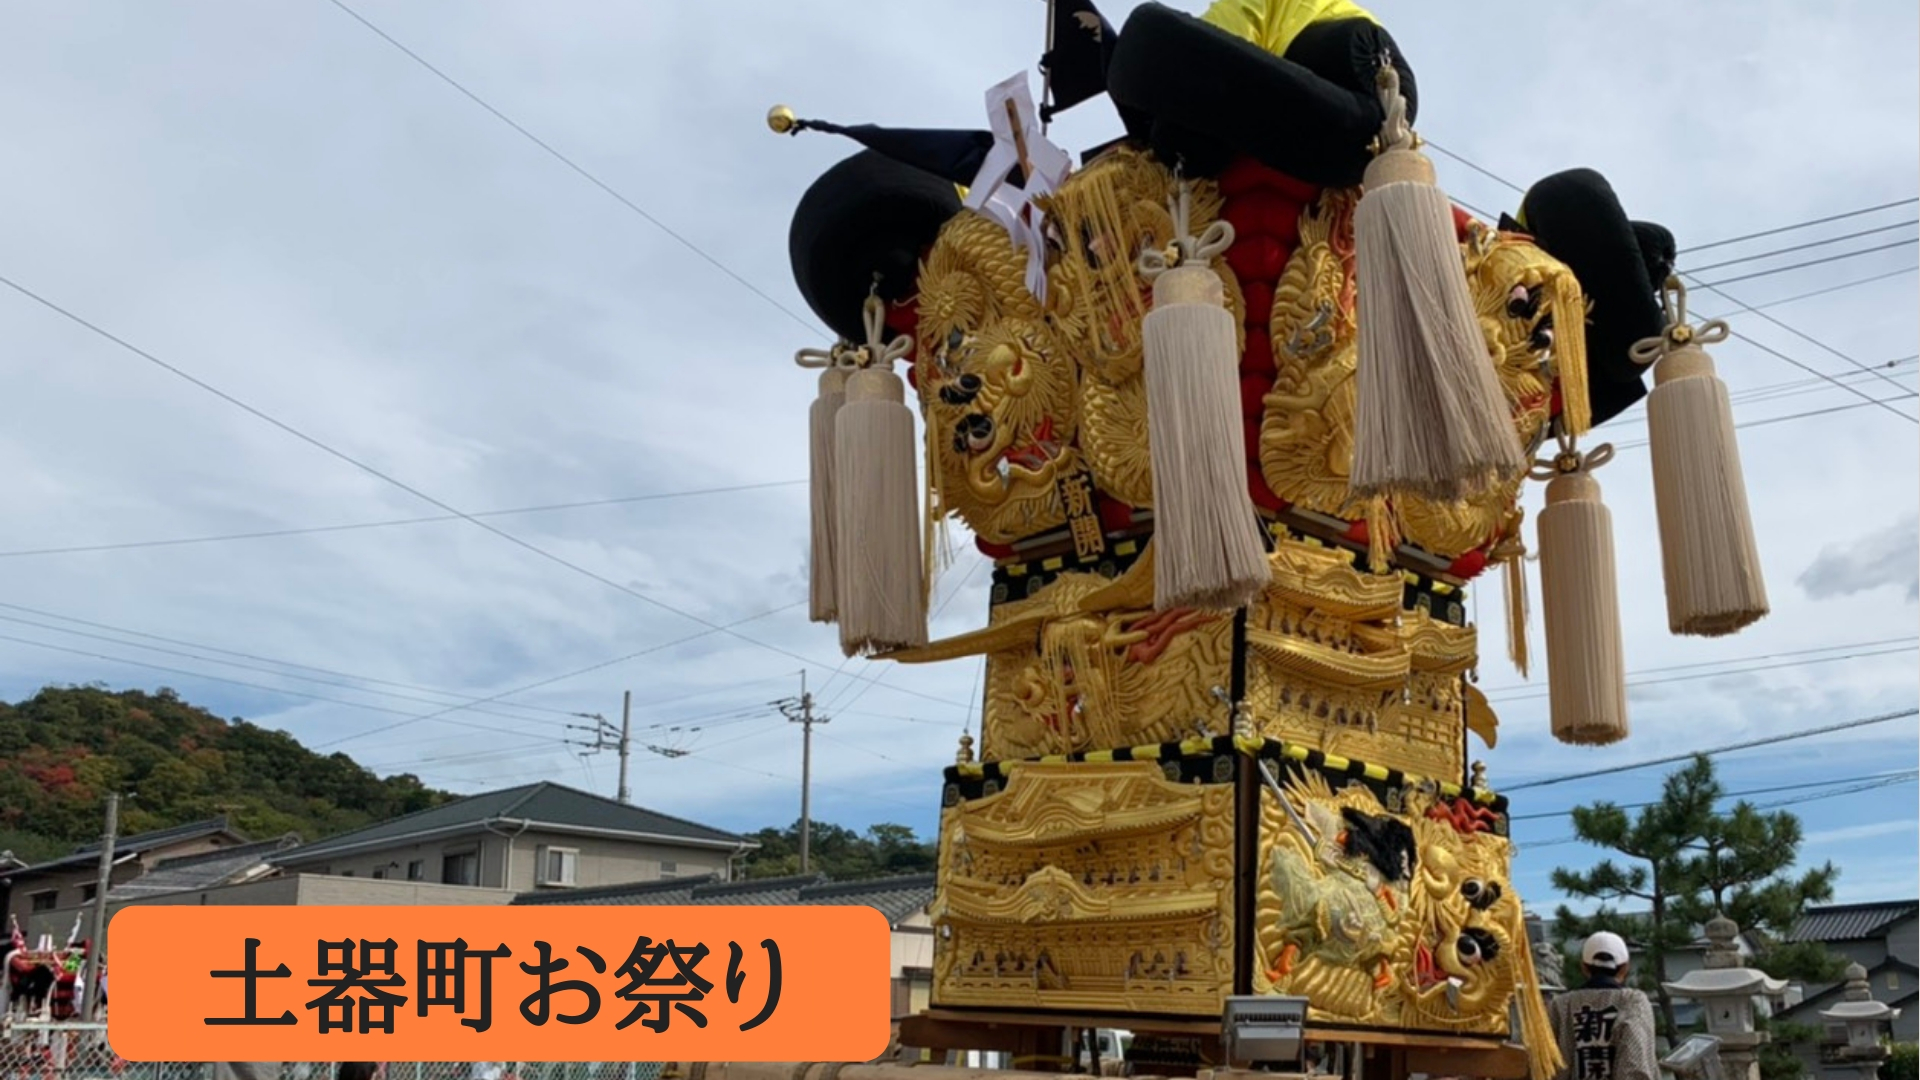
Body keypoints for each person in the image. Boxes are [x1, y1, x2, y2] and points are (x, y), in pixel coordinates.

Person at [1547, 931, 1660, 1080]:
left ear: (1584, 968)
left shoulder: (1561, 1004)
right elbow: (1635, 1063)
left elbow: (1547, 1063)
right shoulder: (1634, 1001)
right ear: (1625, 967)